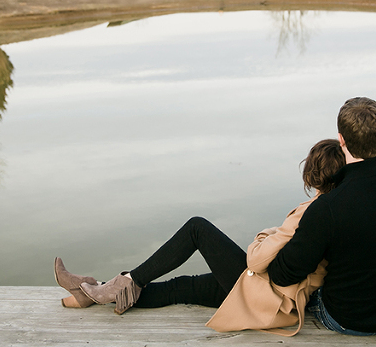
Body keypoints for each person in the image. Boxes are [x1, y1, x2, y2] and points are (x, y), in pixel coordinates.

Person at [54, 138, 346, 334]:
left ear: (311, 173)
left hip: (267, 294)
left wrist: (262, 236)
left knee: (197, 228)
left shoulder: (312, 212)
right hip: (276, 294)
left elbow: (256, 260)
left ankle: (126, 281)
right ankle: (92, 293)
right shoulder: (337, 209)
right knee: (182, 287)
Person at [267, 97, 376, 335]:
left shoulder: (327, 207)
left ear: (341, 139)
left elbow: (282, 275)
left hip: (350, 320)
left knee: (270, 281)